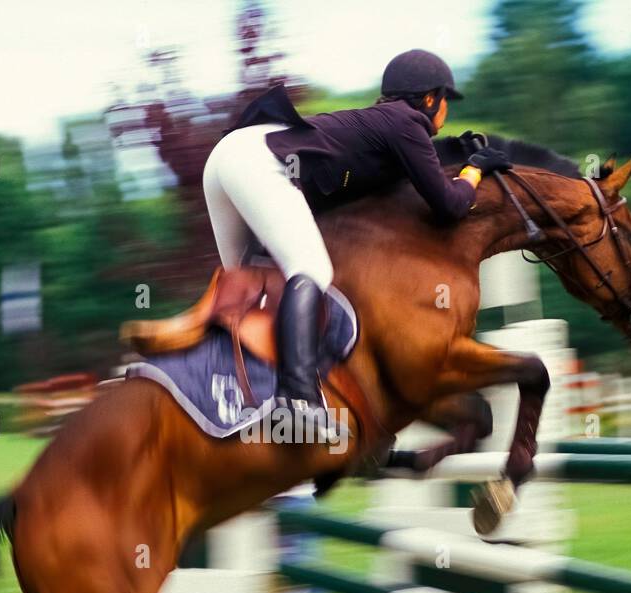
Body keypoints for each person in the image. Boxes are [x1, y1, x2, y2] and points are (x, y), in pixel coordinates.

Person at [202, 49, 511, 440]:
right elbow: (451, 206)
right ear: (431, 98)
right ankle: (296, 402)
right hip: (254, 161)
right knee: (312, 270)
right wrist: (475, 170)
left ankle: (229, 394)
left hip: (227, 156)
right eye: (445, 99)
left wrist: (456, 152)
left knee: (251, 287)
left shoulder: (385, 123)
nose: (446, 109)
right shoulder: (406, 122)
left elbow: (407, 170)